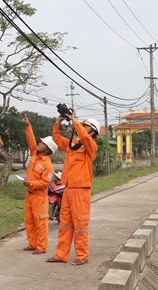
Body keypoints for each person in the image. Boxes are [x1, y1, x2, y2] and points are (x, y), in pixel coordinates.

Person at [46, 112, 100, 266]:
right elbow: (57, 139)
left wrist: (75, 121)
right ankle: (61, 255)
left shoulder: (90, 146)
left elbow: (84, 137)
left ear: (92, 131)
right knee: (65, 224)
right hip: (68, 189)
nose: (81, 127)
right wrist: (58, 122)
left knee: (80, 224)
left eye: (85, 126)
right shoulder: (73, 145)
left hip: (81, 190)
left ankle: (82, 256)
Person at [21, 116, 57, 255]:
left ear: (47, 149)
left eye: (42, 143)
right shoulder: (35, 154)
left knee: (41, 222)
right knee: (29, 221)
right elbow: (31, 141)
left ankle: (41, 247)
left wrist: (30, 183)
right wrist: (27, 126)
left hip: (39, 197)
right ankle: (32, 244)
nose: (39, 143)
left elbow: (44, 183)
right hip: (29, 196)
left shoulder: (48, 166)